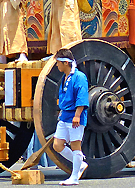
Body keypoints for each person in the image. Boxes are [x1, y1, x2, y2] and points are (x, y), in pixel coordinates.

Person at [52, 48, 89, 186]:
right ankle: (79, 164)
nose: (57, 65)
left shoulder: (79, 77)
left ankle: (74, 177)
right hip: (65, 115)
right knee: (57, 145)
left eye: (58, 63)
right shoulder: (65, 77)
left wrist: (77, 115)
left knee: (75, 145)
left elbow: (82, 97)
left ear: (66, 63)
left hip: (75, 115)